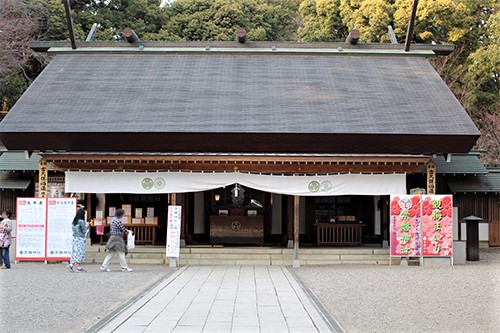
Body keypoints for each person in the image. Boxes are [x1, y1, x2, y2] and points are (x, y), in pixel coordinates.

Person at [67, 208, 89, 272]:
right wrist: (87, 225)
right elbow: (84, 230)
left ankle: (79, 267)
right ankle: (71, 265)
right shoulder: (81, 221)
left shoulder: (74, 222)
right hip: (80, 239)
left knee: (75, 252)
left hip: (75, 238)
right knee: (80, 253)